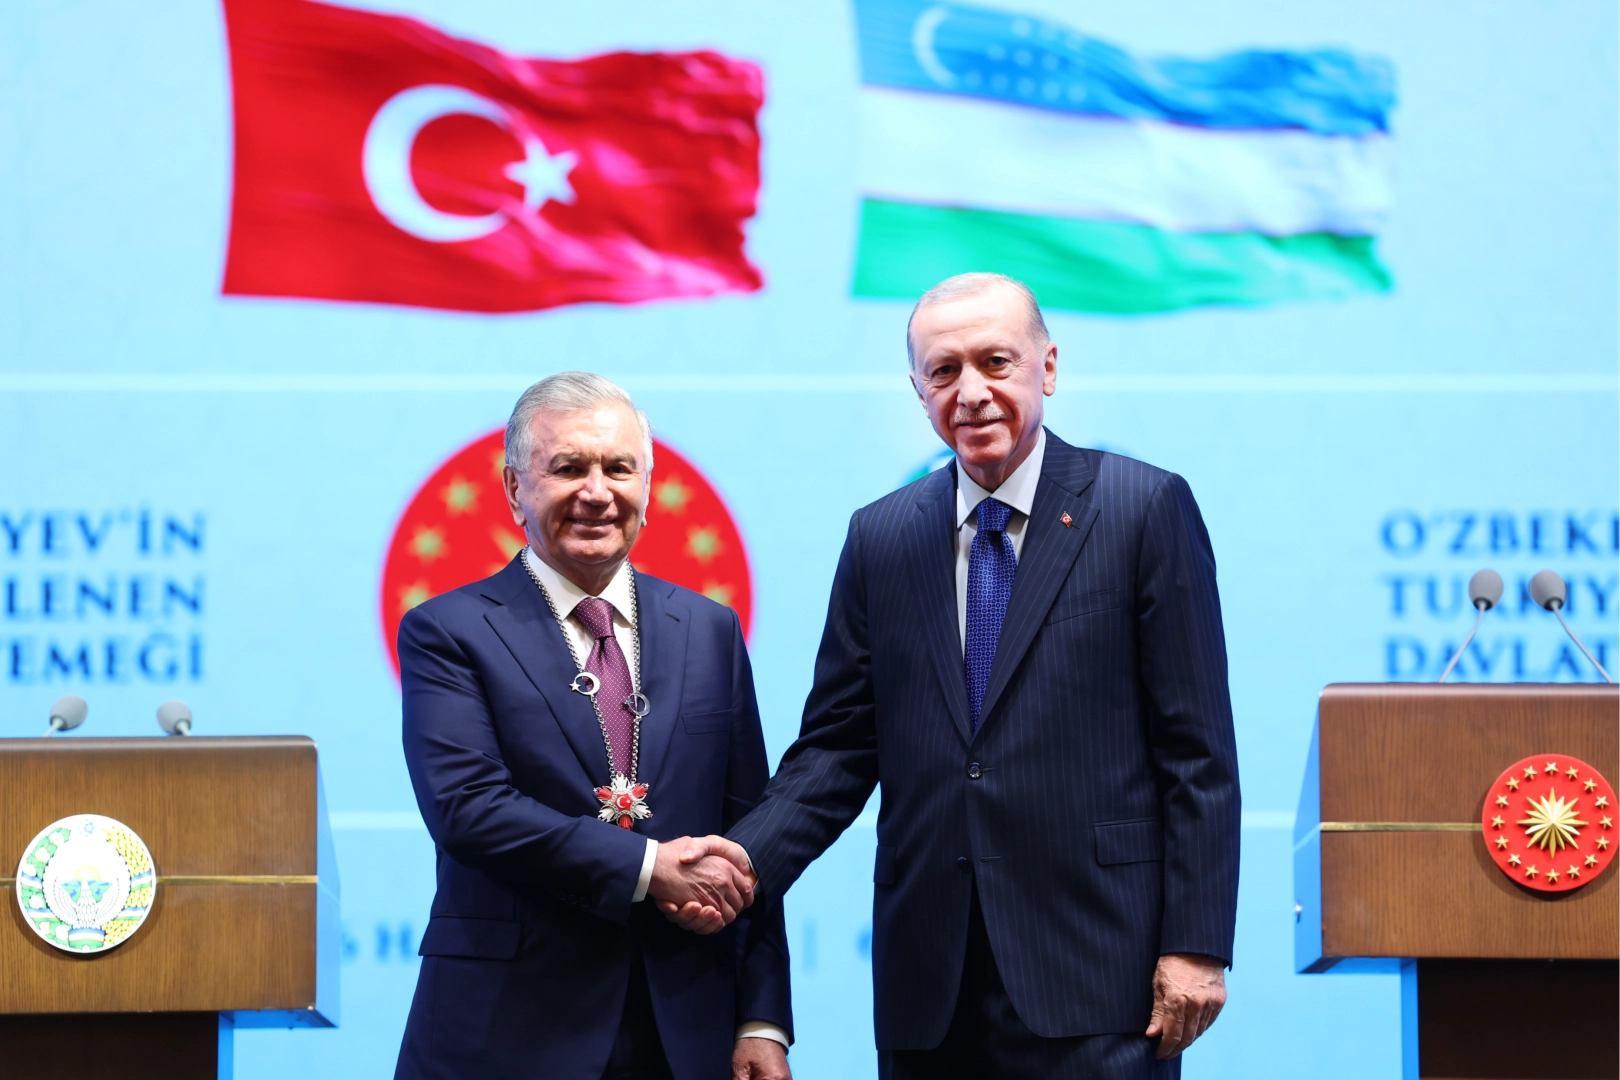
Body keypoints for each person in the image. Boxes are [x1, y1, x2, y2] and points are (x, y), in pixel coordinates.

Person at [694, 273, 1240, 1078]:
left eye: (995, 362)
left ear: (1047, 368)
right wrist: (739, 866)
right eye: (944, 371)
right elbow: (838, 749)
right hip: (930, 987)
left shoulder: (1142, 508)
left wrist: (1195, 945)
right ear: (918, 391)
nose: (972, 392)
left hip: (1100, 975)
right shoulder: (881, 538)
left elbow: (1197, 752)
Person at [394, 372, 792, 1080]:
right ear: (514, 488)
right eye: (569, 467)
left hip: (684, 1030)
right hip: (506, 1031)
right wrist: (649, 868)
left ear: (648, 486)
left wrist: (761, 1019)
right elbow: (468, 808)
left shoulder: (710, 630)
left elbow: (748, 836)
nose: (597, 492)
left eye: (619, 468)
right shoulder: (447, 631)